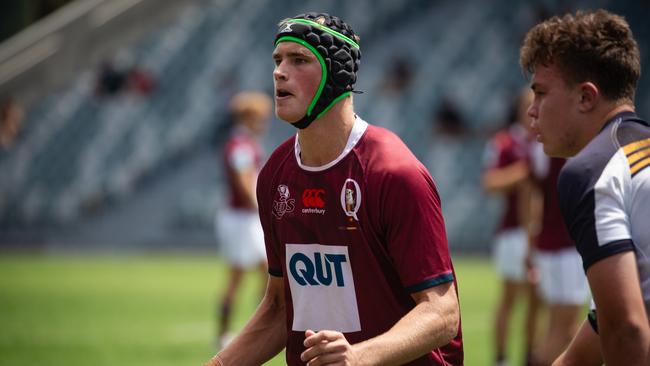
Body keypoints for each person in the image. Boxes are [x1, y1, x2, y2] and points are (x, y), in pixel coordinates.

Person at [205, 12, 462, 366]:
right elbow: (282, 306)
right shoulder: (274, 177)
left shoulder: (393, 172)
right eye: (278, 60)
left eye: (299, 60)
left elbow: (443, 313)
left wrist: (358, 357)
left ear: (335, 73)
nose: (279, 72)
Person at [520, 9, 650, 366]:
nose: (532, 111)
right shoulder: (638, 151)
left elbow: (626, 330)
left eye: (541, 94)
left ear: (586, 97)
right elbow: (599, 331)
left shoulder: (591, 170)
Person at [482, 88, 540, 366]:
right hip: (513, 232)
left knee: (537, 302)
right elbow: (490, 182)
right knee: (510, 298)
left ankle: (530, 356)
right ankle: (501, 358)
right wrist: (522, 172)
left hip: (541, 235)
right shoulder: (505, 143)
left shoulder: (545, 140)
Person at [214, 91, 271, 348]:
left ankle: (254, 330)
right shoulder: (240, 146)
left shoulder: (244, 143)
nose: (263, 122)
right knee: (239, 277)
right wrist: (261, 208)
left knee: (268, 274)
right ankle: (224, 335)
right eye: (259, 117)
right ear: (248, 116)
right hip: (241, 219)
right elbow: (244, 181)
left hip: (245, 219)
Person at [527, 146, 589, 365]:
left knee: (565, 328)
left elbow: (535, 199)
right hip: (566, 248)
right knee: (561, 332)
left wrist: (530, 242)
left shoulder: (537, 150)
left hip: (550, 247)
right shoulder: (570, 142)